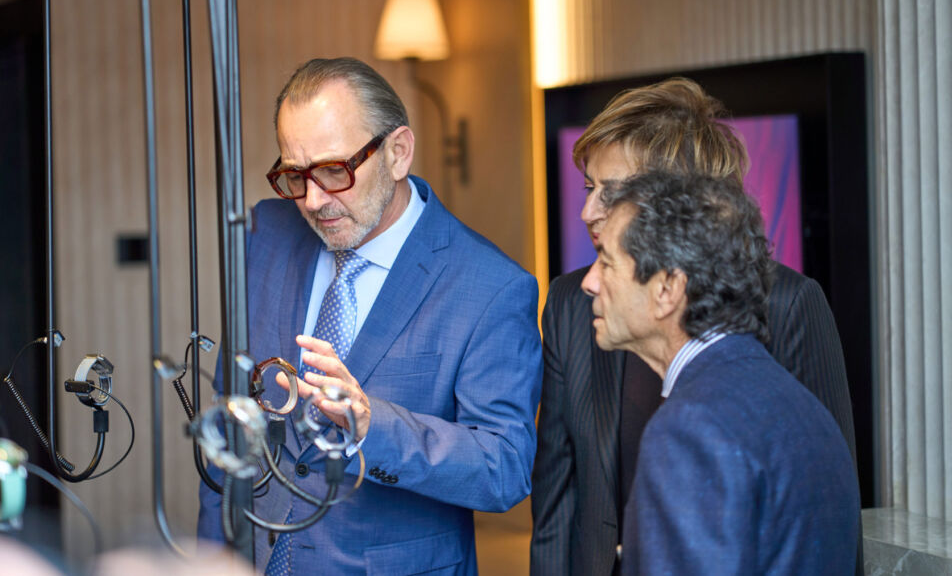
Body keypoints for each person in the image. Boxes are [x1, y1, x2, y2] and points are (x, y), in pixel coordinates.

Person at [197, 57, 542, 574]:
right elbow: (229, 423)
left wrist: (371, 425)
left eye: (335, 170)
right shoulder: (265, 234)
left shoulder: (490, 286)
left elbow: (504, 469)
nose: (313, 200)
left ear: (398, 152)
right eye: (295, 176)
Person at [530, 78, 857, 575]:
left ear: (677, 203)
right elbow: (558, 494)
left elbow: (823, 503)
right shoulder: (573, 302)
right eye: (589, 188)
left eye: (611, 194)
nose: (588, 211)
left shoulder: (788, 304)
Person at [583, 170, 859, 574]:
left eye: (606, 262)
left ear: (667, 289)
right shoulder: (806, 408)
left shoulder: (690, 430)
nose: (589, 282)